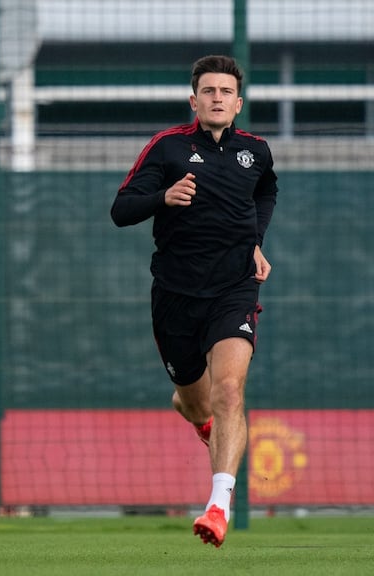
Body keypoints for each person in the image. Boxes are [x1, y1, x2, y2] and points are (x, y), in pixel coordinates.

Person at [111, 55, 278, 548]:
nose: (217, 98)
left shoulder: (256, 151)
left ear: (238, 103)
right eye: (208, 91)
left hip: (234, 289)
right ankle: (201, 418)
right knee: (195, 401)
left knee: (230, 391)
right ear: (194, 100)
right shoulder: (167, 147)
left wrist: (255, 241)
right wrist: (163, 197)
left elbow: (266, 193)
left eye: (226, 91)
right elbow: (120, 210)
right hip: (176, 296)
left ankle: (218, 506)